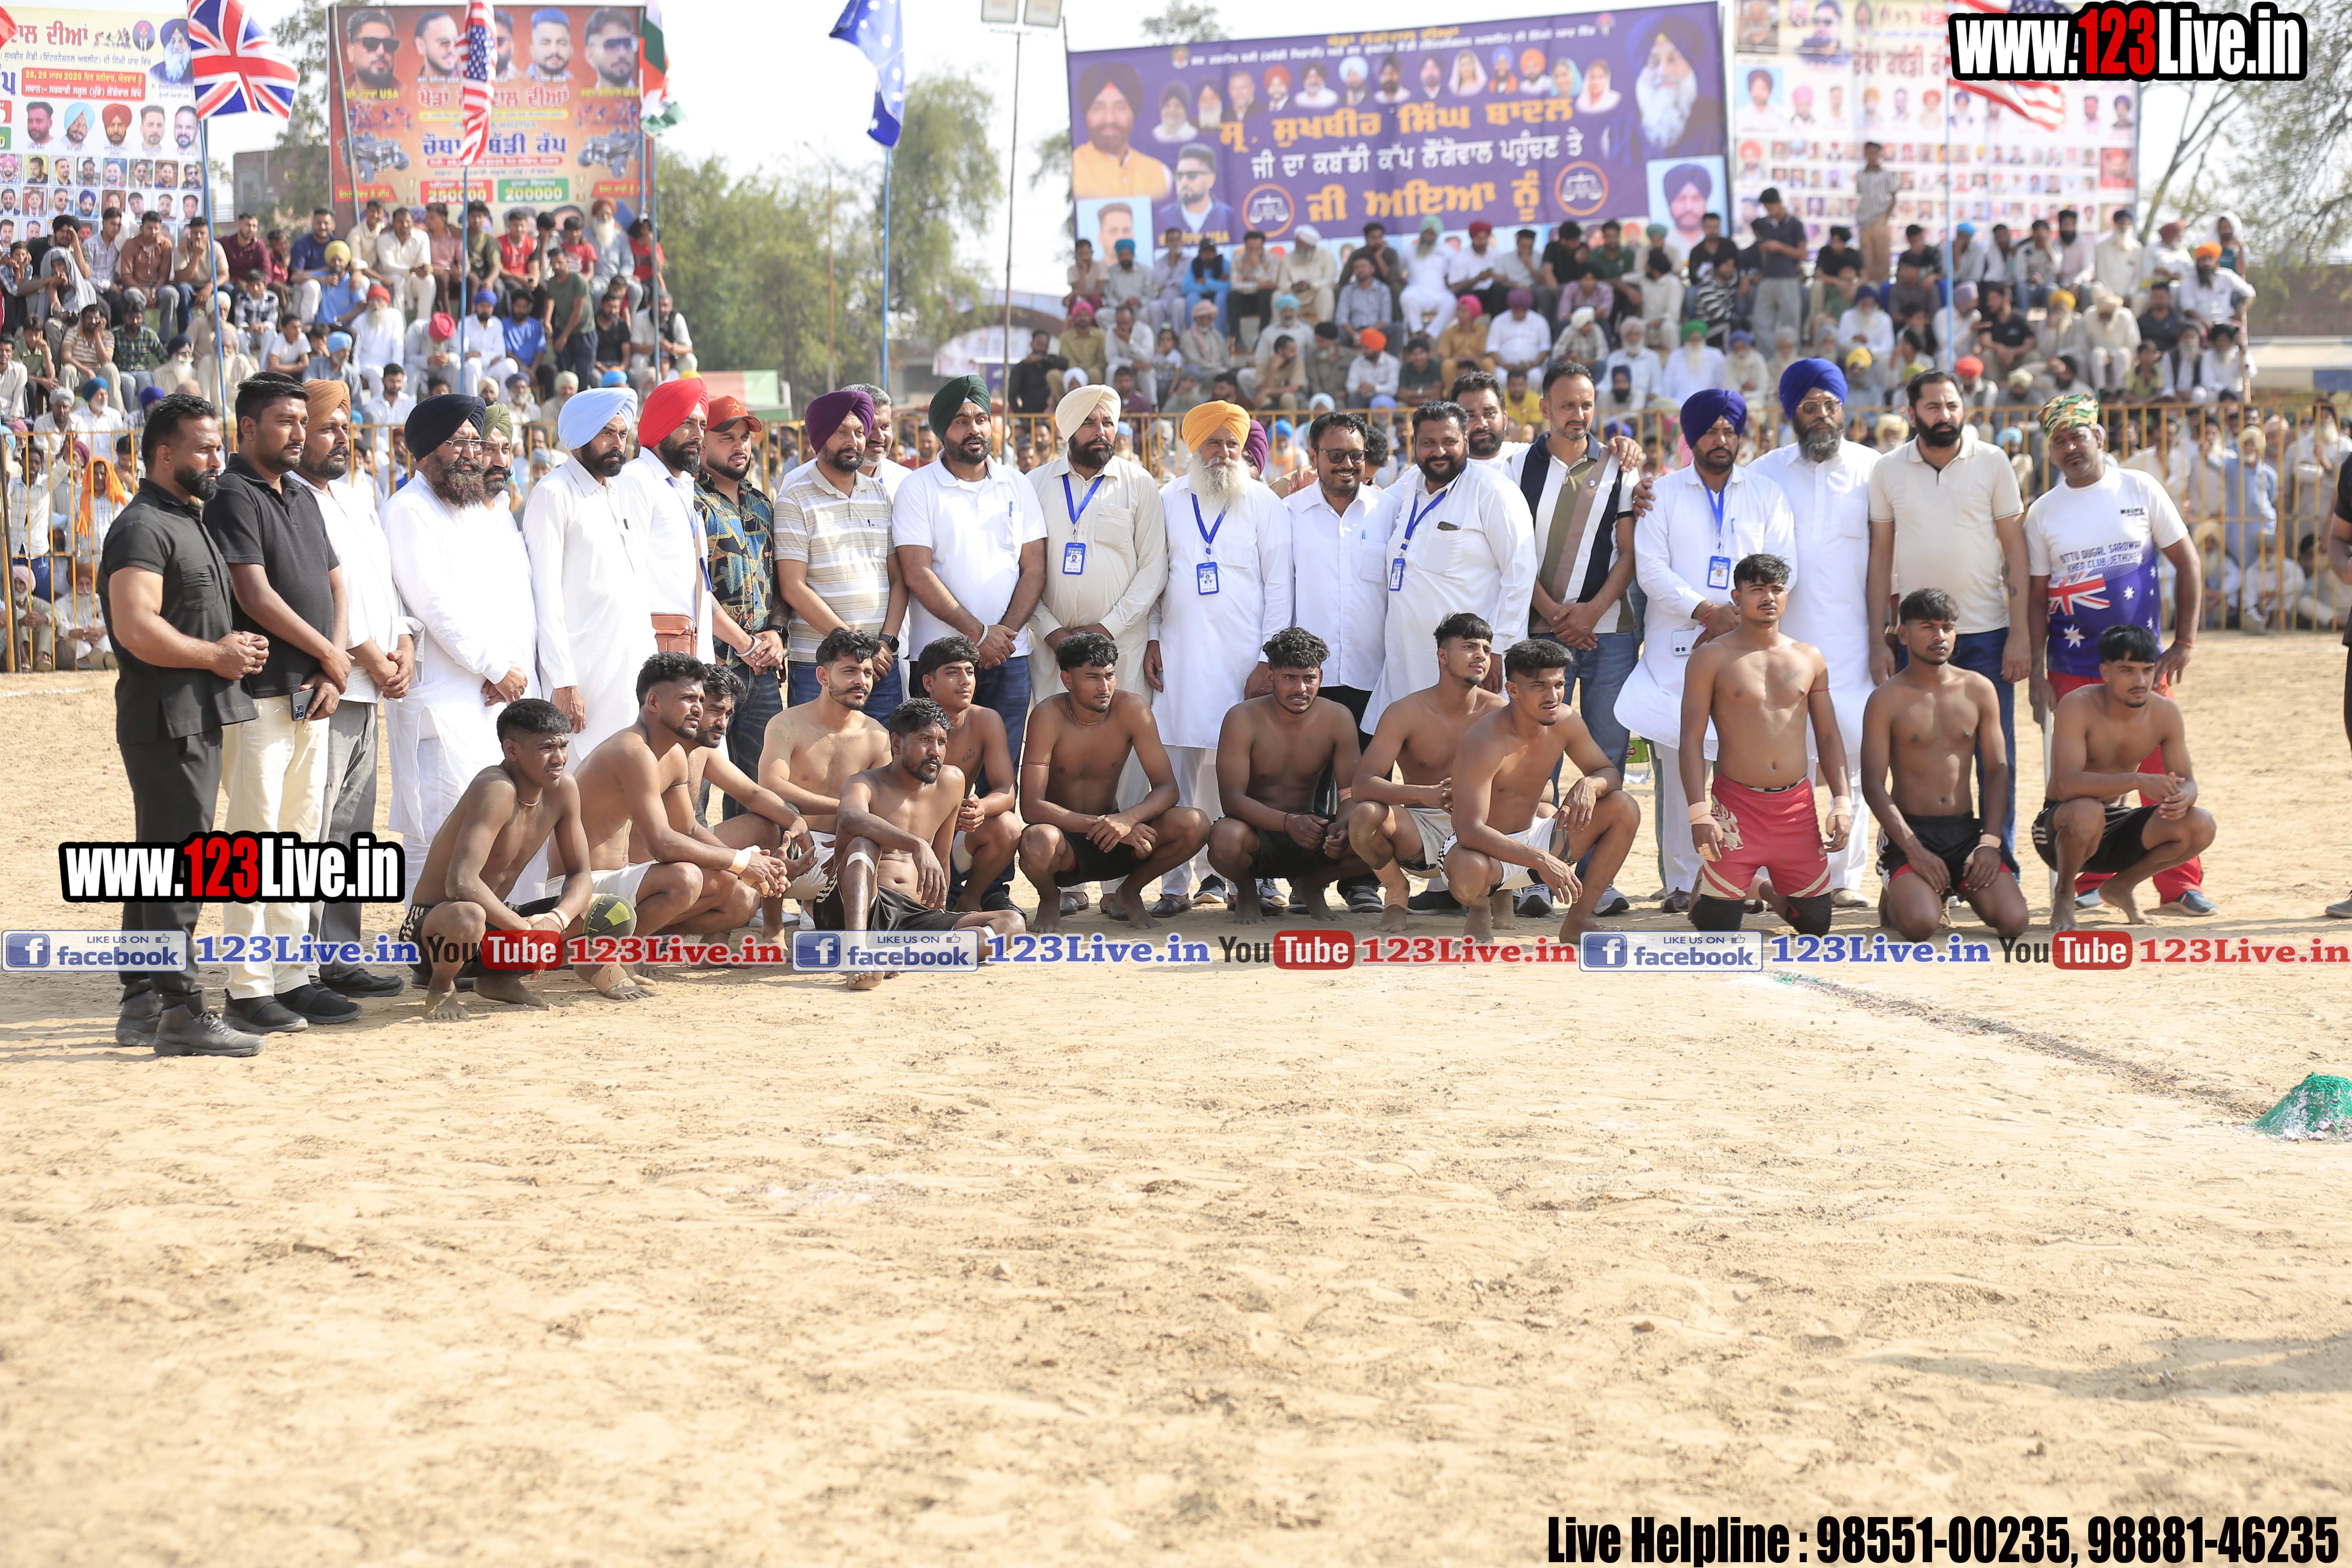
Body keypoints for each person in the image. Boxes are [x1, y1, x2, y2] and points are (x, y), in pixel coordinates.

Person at [96, 393, 271, 1056]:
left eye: (219, 445)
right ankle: (181, 1011)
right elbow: (136, 626)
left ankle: (143, 1001)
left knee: (158, 864)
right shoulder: (142, 526)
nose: (217, 457)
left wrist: (233, 650)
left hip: (191, 714)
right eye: (204, 447)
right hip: (169, 719)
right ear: (164, 454)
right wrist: (216, 656)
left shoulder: (186, 518)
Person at [203, 373, 357, 1033]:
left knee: (300, 837)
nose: (299, 433)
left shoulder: (300, 493)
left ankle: (294, 975)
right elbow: (255, 594)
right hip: (257, 696)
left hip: (311, 694)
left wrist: (334, 665)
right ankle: (247, 985)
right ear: (248, 428)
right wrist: (331, 655)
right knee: (253, 840)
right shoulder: (231, 493)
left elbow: (337, 584)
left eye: (302, 421)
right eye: (284, 422)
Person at [2024, 390, 2211, 917]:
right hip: (2072, 667)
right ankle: (2089, 881)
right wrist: (2037, 671)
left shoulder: (2140, 488)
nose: (2070, 447)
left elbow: (2188, 563)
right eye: (2059, 441)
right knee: (2087, 781)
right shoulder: (2042, 513)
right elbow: (2036, 598)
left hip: (2142, 668)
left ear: (2100, 436)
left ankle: (2179, 885)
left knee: (2163, 774)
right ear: (2051, 451)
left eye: (2077, 436)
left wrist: (2186, 641)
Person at [1611, 390, 1796, 911]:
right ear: (1691, 438)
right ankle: (1681, 882)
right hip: (1678, 652)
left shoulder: (1766, 494)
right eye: (1711, 431)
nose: (1721, 440)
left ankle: (1743, 880)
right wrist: (1703, 611)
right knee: (1679, 762)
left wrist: (1742, 614)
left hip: (1749, 651)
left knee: (1745, 768)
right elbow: (1650, 567)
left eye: (1729, 431)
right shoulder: (1663, 494)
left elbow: (1785, 566)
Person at [893, 377, 1046, 907]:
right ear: (942, 431)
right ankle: (930, 885)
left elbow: (1034, 567)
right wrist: (977, 636)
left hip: (1010, 657)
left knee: (998, 779)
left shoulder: (1016, 485)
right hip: (940, 661)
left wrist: (1003, 635)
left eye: (981, 418)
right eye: (961, 421)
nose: (975, 429)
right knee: (927, 766)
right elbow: (917, 571)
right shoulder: (919, 488)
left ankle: (991, 888)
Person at [380, 394, 540, 902]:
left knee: (481, 826)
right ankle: (421, 934)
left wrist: (504, 667)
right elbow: (436, 606)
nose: (472, 454)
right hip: (440, 701)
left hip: (484, 696)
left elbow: (500, 599)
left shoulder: (470, 512)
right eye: (459, 443)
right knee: (437, 828)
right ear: (427, 451)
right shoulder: (409, 511)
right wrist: (495, 665)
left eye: (475, 442)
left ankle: (464, 933)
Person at [1866, 368, 2029, 858]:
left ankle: (1997, 861)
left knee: (1997, 759)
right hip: (1914, 638)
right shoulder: (1888, 469)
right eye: (1933, 406)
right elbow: (1880, 558)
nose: (1945, 415)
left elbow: (2015, 550)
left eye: (1952, 405)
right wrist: (1879, 639)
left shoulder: (1994, 461)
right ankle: (1912, 863)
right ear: (1911, 413)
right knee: (1914, 754)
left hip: (1988, 634)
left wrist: (2019, 633)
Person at [1145, 400, 1295, 914]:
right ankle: (1174, 885)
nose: (1224, 452)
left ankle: (1253, 879)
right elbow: (1155, 579)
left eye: (1233, 443)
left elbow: (1280, 587)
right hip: (1180, 656)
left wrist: (1269, 660)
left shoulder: (1263, 502)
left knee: (1247, 774)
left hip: (1244, 661)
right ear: (1194, 447)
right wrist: (1152, 637)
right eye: (1214, 442)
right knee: (1177, 774)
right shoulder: (1167, 499)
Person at [289, 379, 410, 999]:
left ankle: (339, 958)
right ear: (299, 433)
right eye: (328, 428)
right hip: (330, 684)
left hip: (370, 688)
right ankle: (301, 967)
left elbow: (382, 587)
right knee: (312, 829)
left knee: (351, 834)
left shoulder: (359, 496)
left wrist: (404, 642)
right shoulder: (292, 499)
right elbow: (320, 596)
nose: (343, 439)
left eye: (347, 428)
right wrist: (371, 657)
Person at [1746, 358, 1878, 905]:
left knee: (1855, 759)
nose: (1821, 414)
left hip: (1855, 644)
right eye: (1809, 406)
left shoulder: (1874, 470)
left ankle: (1844, 880)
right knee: (1782, 763)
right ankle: (1783, 875)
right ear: (1791, 413)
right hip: (1783, 646)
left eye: (1830, 405)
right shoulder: (1765, 472)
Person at [401, 698, 618, 1018]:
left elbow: (580, 874)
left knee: (611, 911)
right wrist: (526, 932)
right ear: (512, 750)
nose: (559, 758)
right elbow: (461, 883)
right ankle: (441, 987)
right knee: (468, 916)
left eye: (563, 746)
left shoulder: (563, 788)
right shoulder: (495, 788)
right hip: (436, 929)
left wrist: (555, 920)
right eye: (546, 748)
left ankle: (499, 979)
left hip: (495, 922)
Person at [1679, 554, 1849, 935]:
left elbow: (1828, 735)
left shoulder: (1809, 657)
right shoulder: (1711, 657)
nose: (1769, 597)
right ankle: (1716, 886)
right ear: (1737, 598)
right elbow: (1690, 738)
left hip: (1796, 807)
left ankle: (1762, 889)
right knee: (1718, 929)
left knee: (1815, 926)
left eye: (1777, 589)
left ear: (1787, 596)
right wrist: (1699, 814)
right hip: (1737, 806)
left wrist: (1842, 803)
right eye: (1757, 589)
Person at [570, 651, 789, 946]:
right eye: (688, 699)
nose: (698, 709)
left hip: (626, 881)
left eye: (701, 700)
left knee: (732, 888)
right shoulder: (631, 751)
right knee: (687, 878)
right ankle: (606, 952)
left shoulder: (673, 754)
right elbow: (662, 844)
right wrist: (741, 861)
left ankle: (624, 945)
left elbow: (689, 829)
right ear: (654, 702)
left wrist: (751, 866)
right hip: (583, 888)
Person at [1443, 635, 1641, 942]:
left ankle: (1578, 921)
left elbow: (1608, 772)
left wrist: (1590, 783)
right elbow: (1470, 831)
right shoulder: (1485, 740)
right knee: (1470, 870)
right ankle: (1480, 906)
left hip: (1535, 839)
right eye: (1540, 686)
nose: (1553, 696)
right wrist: (1541, 860)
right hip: (1484, 851)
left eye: (1559, 685)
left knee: (1624, 806)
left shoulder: (1566, 720)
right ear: (1513, 690)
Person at [820, 699, 1026, 989]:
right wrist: (916, 844)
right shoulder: (863, 783)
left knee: (1011, 924)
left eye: (942, 742)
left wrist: (940, 908)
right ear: (897, 744)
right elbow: (851, 818)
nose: (936, 751)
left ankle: (896, 956)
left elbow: (941, 857)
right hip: (855, 911)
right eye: (925, 740)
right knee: (864, 844)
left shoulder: (952, 781)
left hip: (912, 916)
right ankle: (857, 954)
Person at [1862, 588, 2029, 942]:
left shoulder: (1978, 689)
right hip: (1910, 834)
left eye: (1947, 627)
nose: (1940, 636)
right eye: (1928, 627)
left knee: (2014, 922)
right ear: (1904, 634)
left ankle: (1949, 883)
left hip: (1964, 832)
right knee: (1921, 925)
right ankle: (1900, 890)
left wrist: (1990, 842)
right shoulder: (1886, 699)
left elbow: (1998, 770)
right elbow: (1873, 783)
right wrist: (1913, 850)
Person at [1017, 629, 1208, 931]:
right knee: (1037, 840)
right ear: (1068, 680)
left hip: (1118, 838)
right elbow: (1031, 807)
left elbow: (1168, 788)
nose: (1104, 687)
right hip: (1067, 843)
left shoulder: (1132, 710)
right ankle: (1050, 897)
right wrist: (1105, 825)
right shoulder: (1047, 716)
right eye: (1092, 678)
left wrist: (1128, 820)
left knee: (1195, 823)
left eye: (1109, 676)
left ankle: (1129, 892)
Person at [1363, 400, 1535, 732]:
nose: (1438, 451)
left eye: (1449, 442)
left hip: (1469, 667)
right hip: (1406, 663)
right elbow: (1370, 505)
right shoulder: (1410, 484)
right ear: (1414, 445)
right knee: (1412, 752)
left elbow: (1521, 575)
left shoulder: (1493, 491)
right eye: (1428, 443)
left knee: (1472, 753)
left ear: (1466, 442)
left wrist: (1499, 650)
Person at [2036, 625, 2217, 932]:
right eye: (2127, 671)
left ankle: (2121, 886)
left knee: (2201, 824)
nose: (2140, 681)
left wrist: (2183, 797)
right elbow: (2067, 786)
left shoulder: (2166, 713)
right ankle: (2065, 893)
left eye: (2147, 670)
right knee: (2087, 811)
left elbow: (2189, 782)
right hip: (2060, 827)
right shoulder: (2077, 705)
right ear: (2106, 673)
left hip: (2114, 825)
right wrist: (2138, 780)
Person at [1346, 613, 1508, 929]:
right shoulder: (1405, 712)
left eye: (1487, 650)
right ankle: (1396, 892)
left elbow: (1537, 786)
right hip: (1422, 831)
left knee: (1545, 809)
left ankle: (1501, 894)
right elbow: (1363, 785)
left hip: (1487, 827)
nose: (1481, 656)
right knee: (1366, 815)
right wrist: (1427, 795)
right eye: (1469, 647)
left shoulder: (1501, 714)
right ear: (1442, 656)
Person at [521, 381, 654, 761]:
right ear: (581, 436)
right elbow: (545, 593)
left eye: (623, 434)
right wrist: (563, 680)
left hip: (629, 667)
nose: (618, 443)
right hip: (585, 673)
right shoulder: (554, 493)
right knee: (582, 779)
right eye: (607, 433)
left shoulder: (617, 493)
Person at [1204, 627, 1373, 924]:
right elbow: (1232, 800)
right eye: (1290, 678)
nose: (1301, 689)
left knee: (1375, 831)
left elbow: (1350, 793)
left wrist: (1342, 827)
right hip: (1255, 834)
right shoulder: (1242, 718)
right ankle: (1247, 891)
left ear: (1321, 677)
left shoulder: (1338, 717)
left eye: (1309, 678)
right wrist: (1287, 822)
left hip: (1310, 832)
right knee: (1224, 837)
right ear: (1271, 677)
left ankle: (1311, 886)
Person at [1027, 384, 1168, 713]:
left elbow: (1154, 568)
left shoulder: (1139, 483)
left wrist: (1108, 629)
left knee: (1123, 739)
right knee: (1057, 737)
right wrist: (1052, 632)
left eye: (1107, 423)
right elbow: (1022, 570)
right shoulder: (1035, 484)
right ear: (1068, 430)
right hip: (1053, 651)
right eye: (1089, 423)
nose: (1101, 432)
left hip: (1122, 647)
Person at [774, 388, 906, 725]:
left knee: (883, 754)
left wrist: (886, 642)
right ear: (819, 439)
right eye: (841, 432)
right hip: (821, 663)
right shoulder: (794, 499)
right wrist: (855, 646)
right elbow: (793, 587)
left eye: (860, 432)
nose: (854, 441)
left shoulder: (880, 495)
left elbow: (898, 578)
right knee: (820, 755)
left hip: (879, 664)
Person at [668, 663, 815, 943]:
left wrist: (797, 822)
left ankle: (769, 931)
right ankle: (653, 933)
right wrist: (744, 863)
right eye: (715, 710)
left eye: (728, 714)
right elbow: (676, 834)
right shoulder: (658, 750)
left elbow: (753, 794)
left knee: (768, 825)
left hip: (686, 849)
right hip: (652, 862)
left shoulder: (701, 751)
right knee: (742, 895)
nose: (723, 723)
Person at [694, 393, 790, 805]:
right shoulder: (690, 503)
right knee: (693, 787)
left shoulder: (761, 504)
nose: (740, 446)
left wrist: (777, 633)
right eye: (727, 438)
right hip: (708, 668)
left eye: (745, 438)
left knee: (761, 790)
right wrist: (744, 644)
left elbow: (780, 582)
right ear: (701, 443)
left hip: (762, 671)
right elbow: (693, 590)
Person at [758, 627, 893, 912]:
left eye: (868, 673)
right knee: (756, 828)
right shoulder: (786, 724)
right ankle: (771, 922)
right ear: (823, 676)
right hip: (789, 847)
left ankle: (819, 908)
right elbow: (770, 784)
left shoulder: (878, 736)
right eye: (850, 671)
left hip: (845, 854)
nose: (862, 681)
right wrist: (845, 808)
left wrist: (849, 832)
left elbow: (884, 806)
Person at [907, 635, 1022, 914]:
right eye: (952, 673)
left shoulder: (986, 720)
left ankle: (970, 899)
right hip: (912, 842)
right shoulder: (907, 723)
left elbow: (1006, 789)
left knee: (1007, 826)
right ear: (928, 683)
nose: (965, 681)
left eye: (970, 672)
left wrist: (980, 808)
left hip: (958, 835)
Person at [1071, 62, 1172, 200]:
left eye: (1120, 107)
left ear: (1133, 114)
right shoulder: (1073, 169)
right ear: (1086, 115)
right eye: (1098, 108)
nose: (1109, 119)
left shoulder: (1161, 175)